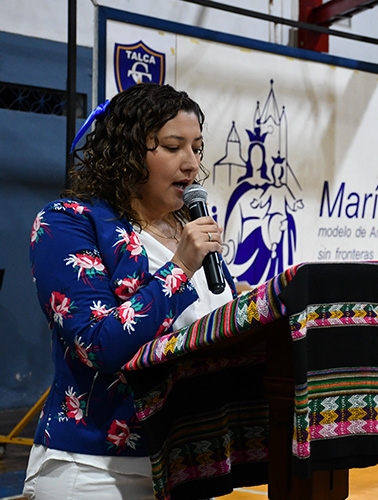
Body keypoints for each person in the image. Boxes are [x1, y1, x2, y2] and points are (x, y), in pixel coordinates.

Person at [24, 83, 236, 500]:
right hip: (96, 470)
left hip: (188, 463)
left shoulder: (188, 231)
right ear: (126, 152)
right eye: (174, 147)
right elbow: (100, 345)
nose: (192, 164)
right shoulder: (68, 223)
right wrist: (179, 269)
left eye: (197, 147)